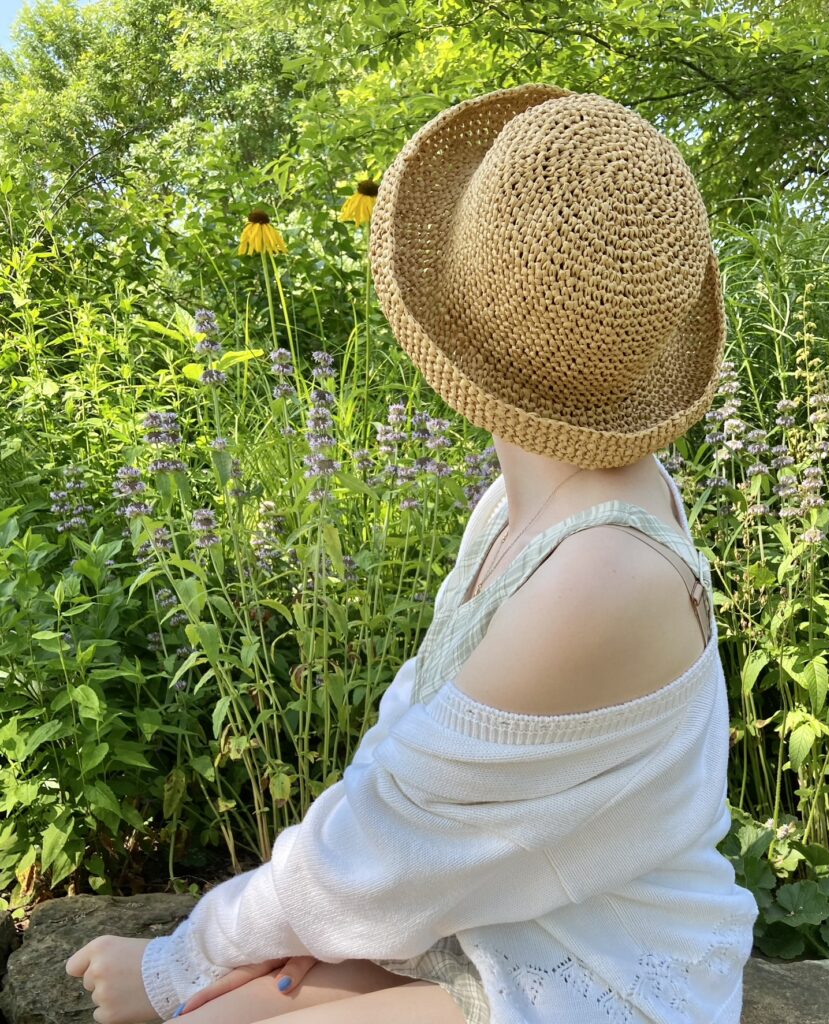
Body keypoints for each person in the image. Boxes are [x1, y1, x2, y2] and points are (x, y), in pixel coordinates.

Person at [65, 83, 759, 1024]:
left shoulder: (600, 574)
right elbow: (404, 781)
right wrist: (289, 956)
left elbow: (384, 852)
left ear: (459, 311)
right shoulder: (521, 513)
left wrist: (178, 964)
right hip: (508, 912)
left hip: (610, 969)